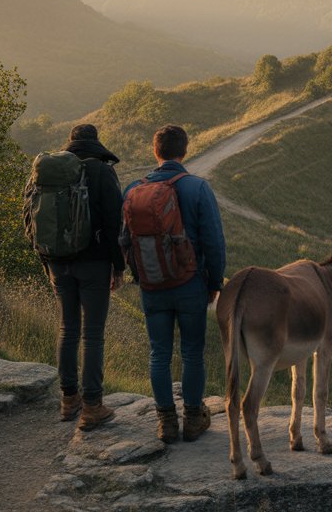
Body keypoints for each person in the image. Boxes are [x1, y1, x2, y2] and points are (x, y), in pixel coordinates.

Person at [123, 124, 225, 444]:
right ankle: (193, 418)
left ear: (156, 152)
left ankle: (166, 421)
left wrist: (141, 277)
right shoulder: (197, 188)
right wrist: (214, 282)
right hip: (191, 284)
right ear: (185, 151)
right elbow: (213, 242)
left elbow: (124, 242)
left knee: (159, 354)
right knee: (193, 352)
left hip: (153, 288)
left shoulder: (132, 190)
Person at [46, 124, 125, 430]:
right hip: (93, 263)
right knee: (92, 334)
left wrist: (46, 261)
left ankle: (68, 401)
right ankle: (93, 406)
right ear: (95, 143)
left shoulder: (50, 172)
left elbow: (32, 216)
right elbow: (113, 222)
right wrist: (118, 267)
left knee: (67, 328)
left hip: (56, 261)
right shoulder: (102, 172)